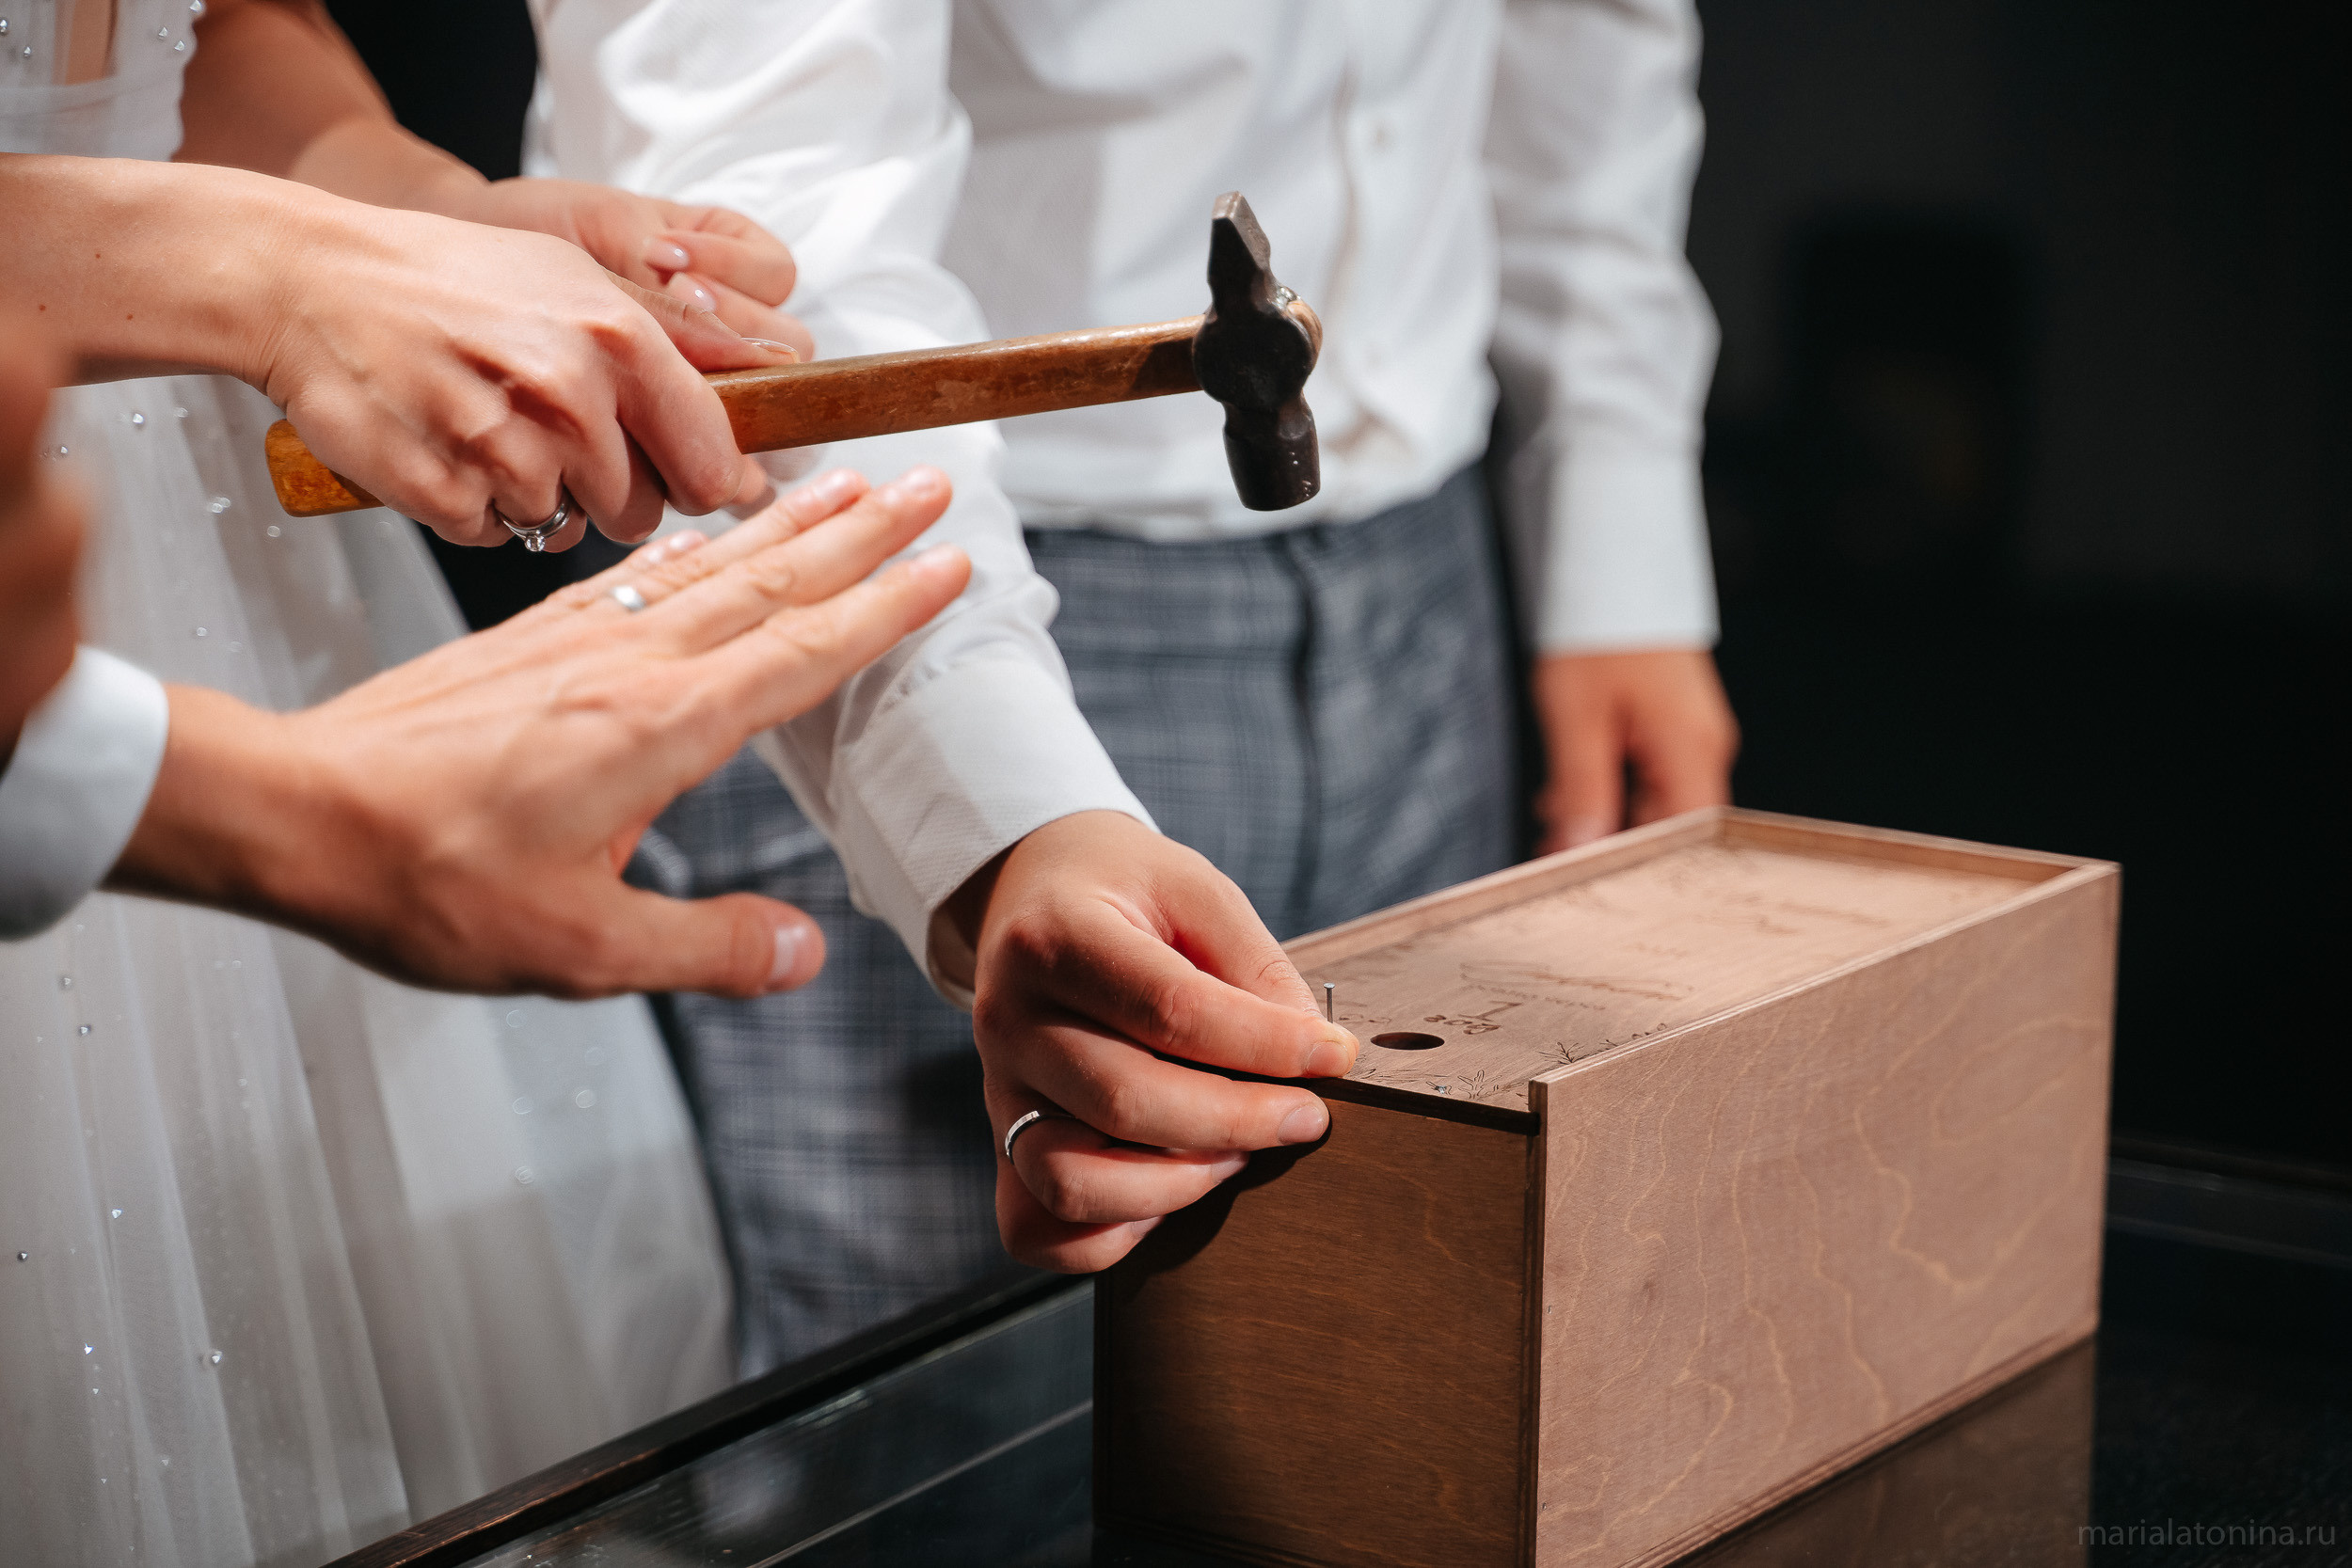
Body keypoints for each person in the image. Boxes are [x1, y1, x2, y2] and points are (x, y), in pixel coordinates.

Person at [522, 0, 1738, 1367]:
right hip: (955, 595)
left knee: (1389, 1389)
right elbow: (756, 274)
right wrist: (1000, 815)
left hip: (1438, 581)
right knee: (941, 1464)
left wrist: (1617, 512)